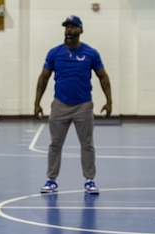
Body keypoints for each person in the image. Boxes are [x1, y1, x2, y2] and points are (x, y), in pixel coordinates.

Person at [33, 15, 113, 195]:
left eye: (73, 27)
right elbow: (43, 78)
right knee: (55, 144)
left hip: (83, 105)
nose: (69, 30)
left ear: (81, 30)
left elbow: (103, 77)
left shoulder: (91, 53)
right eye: (67, 27)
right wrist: (37, 103)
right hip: (60, 104)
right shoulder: (54, 53)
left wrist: (109, 101)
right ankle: (51, 180)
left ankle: (90, 180)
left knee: (87, 144)